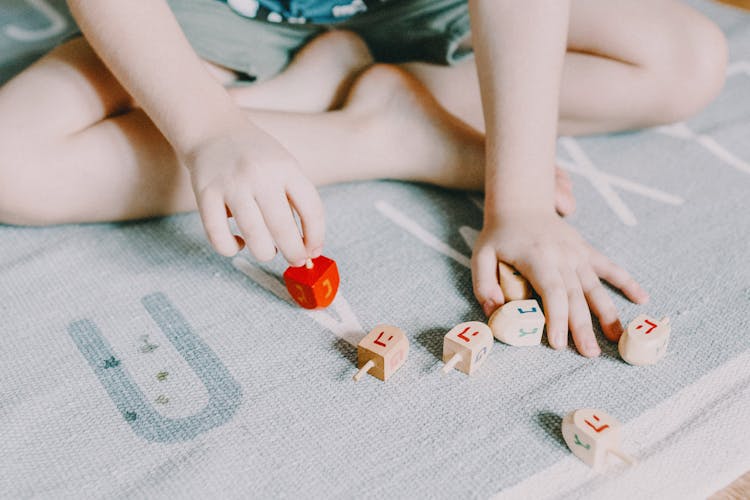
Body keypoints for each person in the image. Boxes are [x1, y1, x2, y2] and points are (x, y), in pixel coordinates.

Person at [0, 0, 727, 356]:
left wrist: (524, 197)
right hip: (212, 13)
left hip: (411, 7)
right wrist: (209, 129)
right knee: (12, 162)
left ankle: (329, 89)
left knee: (684, 61)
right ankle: (380, 133)